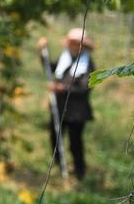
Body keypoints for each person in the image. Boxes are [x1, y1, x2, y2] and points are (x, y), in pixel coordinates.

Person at [38, 28, 96, 180]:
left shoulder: (87, 64)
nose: (75, 47)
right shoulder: (64, 59)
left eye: (78, 44)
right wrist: (42, 52)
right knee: (55, 135)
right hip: (60, 106)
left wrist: (61, 88)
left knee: (75, 141)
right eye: (72, 44)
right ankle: (57, 162)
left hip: (76, 111)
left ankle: (79, 170)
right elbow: (50, 69)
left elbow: (85, 87)